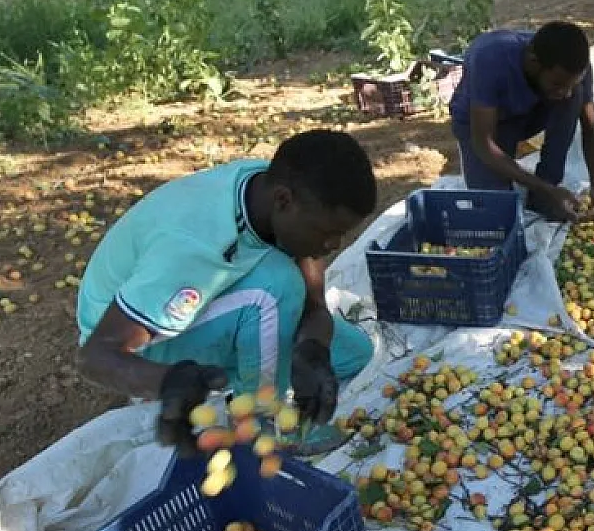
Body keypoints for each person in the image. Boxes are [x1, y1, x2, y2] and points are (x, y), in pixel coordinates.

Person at [76, 130, 378, 455]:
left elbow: (315, 305)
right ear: (283, 201)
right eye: (327, 233)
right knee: (277, 285)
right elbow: (93, 355)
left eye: (341, 234)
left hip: (206, 289)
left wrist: (313, 349)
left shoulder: (277, 189)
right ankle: (262, 424)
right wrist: (170, 382)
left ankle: (256, 357)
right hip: (141, 337)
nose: (334, 246)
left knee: (354, 354)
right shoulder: (192, 246)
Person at [449, 20, 594, 223]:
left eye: (568, 84)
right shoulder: (490, 59)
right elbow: (484, 144)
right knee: (496, 212)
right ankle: (544, 191)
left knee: (576, 95)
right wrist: (547, 189)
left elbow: (590, 128)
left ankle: (544, 190)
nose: (564, 92)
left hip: (532, 111)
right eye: (557, 84)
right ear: (533, 61)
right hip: (483, 124)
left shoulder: (575, 68)